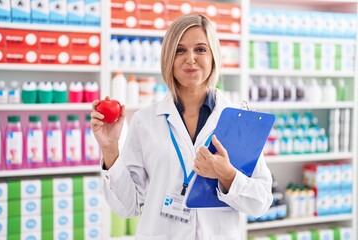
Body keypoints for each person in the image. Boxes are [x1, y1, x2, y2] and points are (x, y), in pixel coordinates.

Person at [90, 14, 273, 240]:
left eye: (200, 49)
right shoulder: (145, 121)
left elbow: (261, 202)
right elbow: (127, 206)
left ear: (213, 56)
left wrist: (227, 175)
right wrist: (110, 149)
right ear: (168, 58)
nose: (191, 58)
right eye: (180, 50)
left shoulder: (240, 121)